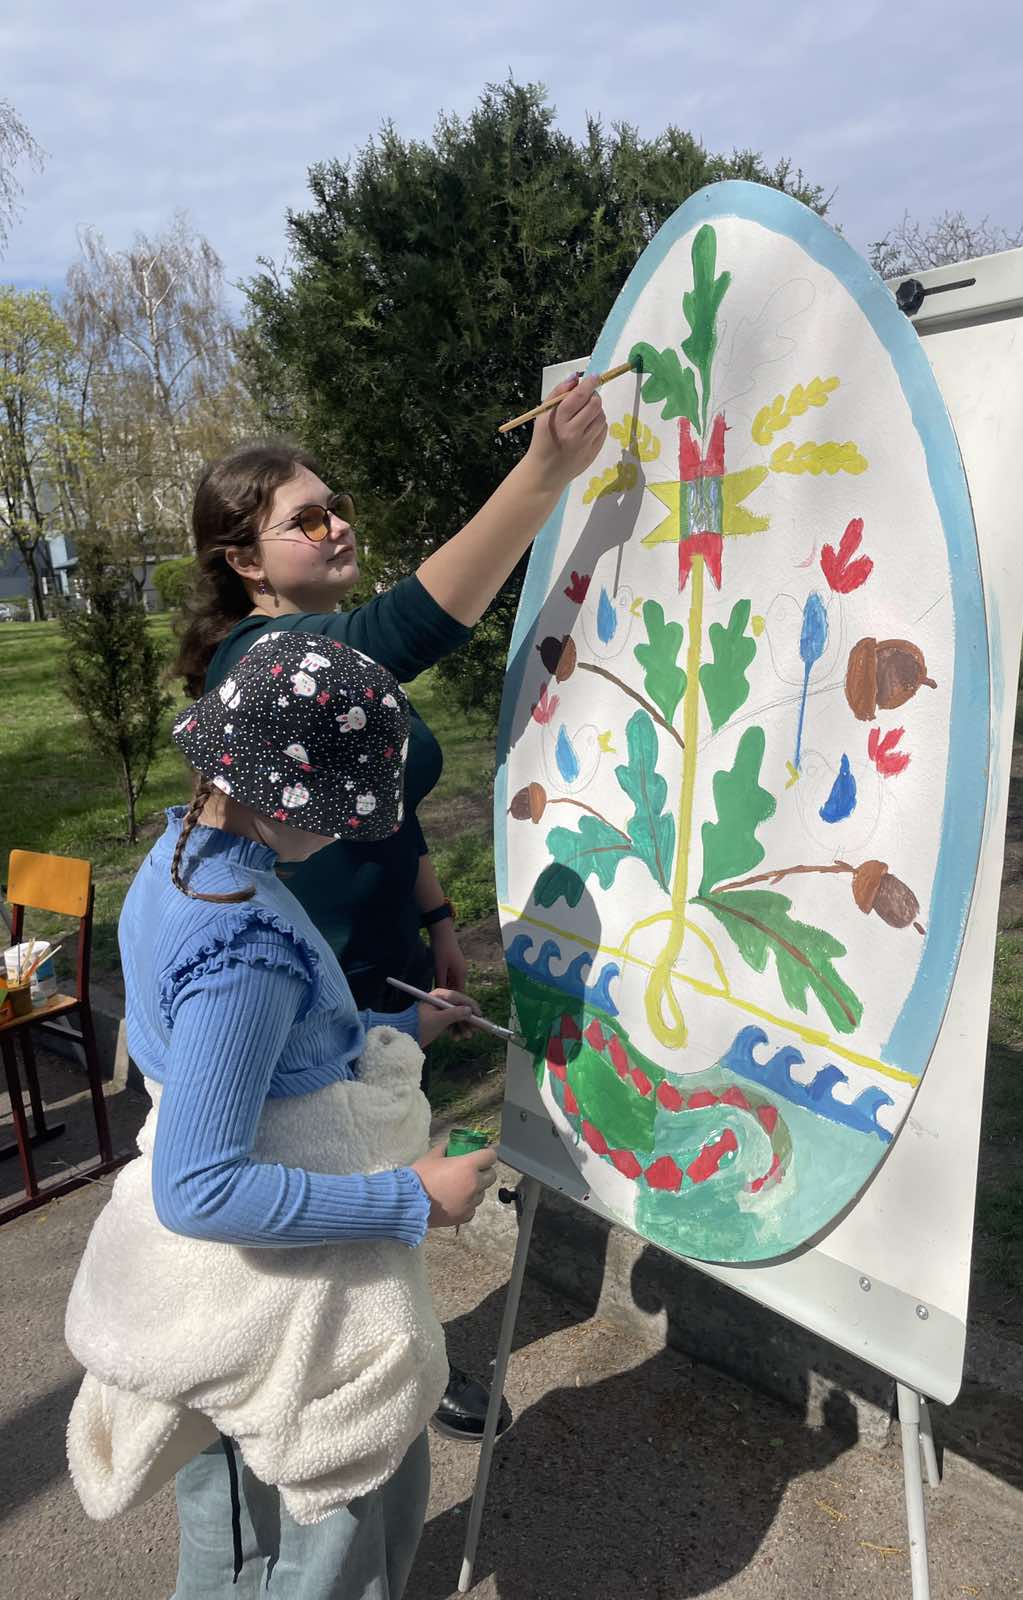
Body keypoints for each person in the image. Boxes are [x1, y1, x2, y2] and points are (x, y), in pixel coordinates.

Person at [172, 372, 606, 1438]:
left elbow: (381, 804)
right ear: (244, 561)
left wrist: (439, 918)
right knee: (347, 1204)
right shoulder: (273, 662)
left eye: (337, 506)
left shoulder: (318, 652)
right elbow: (416, 621)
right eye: (306, 519)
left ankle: (385, 1363)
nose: (336, 526)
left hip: (383, 968)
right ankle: (341, 1410)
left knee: (378, 1179)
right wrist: (545, 471)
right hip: (310, 985)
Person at [66, 632, 497, 1598]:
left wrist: (401, 1027)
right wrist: (412, 1199)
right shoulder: (247, 945)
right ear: (294, 801)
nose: (349, 836)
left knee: (245, 1522)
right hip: (276, 1304)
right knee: (320, 1534)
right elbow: (199, 1187)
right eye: (346, 817)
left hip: (235, 1289)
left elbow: (264, 1056)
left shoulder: (181, 857)